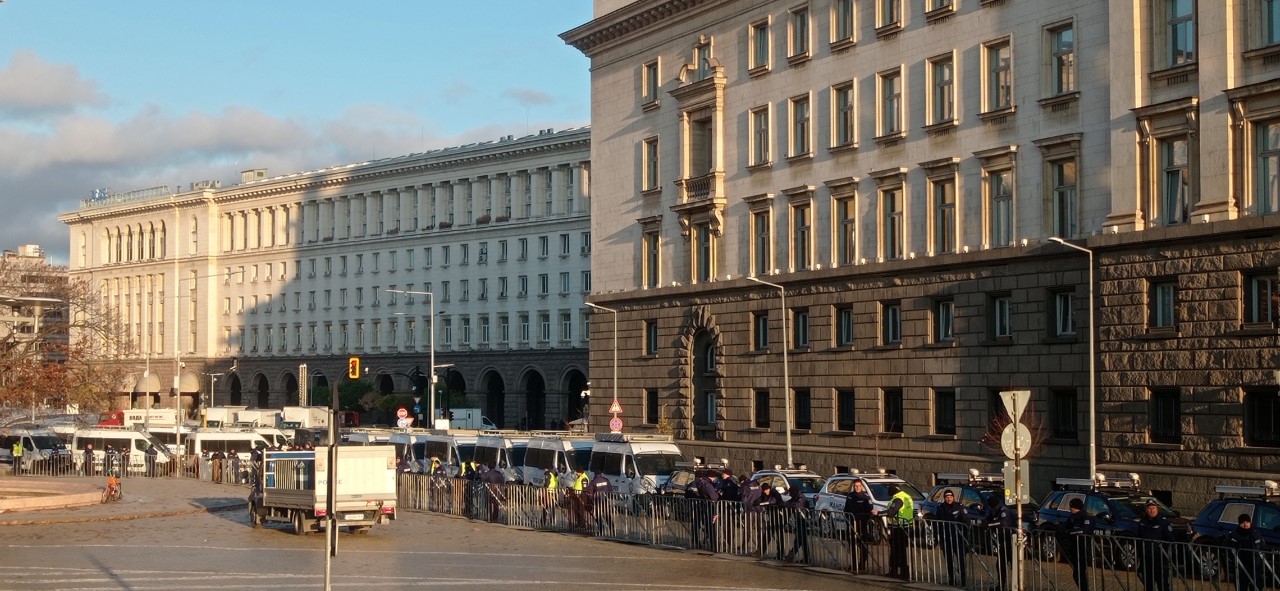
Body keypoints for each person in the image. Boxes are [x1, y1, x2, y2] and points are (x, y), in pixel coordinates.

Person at [1135, 499, 1173, 591]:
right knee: (1148, 585)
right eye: (1149, 508)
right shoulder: (1143, 522)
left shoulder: (1163, 522)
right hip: (1146, 559)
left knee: (1163, 585)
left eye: (1153, 508)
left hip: (1160, 559)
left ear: (1157, 509)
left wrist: (1165, 554)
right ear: (1146, 510)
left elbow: (1170, 539)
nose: (1151, 510)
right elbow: (1138, 539)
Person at [935, 489, 970, 586]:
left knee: (961, 561)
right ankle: (951, 579)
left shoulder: (959, 507)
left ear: (953, 497)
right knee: (949, 561)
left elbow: (967, 521)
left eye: (950, 497)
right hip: (946, 539)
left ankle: (963, 581)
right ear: (944, 498)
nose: (949, 499)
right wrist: (938, 538)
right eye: (947, 497)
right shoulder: (941, 508)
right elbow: (937, 524)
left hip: (958, 539)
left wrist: (965, 535)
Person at [1060, 497, 1095, 591]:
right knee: (1077, 573)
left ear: (1074, 507)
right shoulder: (1072, 517)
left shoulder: (1086, 517)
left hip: (1083, 548)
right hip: (1074, 548)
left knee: (1079, 573)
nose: (1069, 509)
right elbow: (1063, 528)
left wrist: (1070, 532)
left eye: (1071, 507)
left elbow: (1085, 531)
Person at [881, 483, 914, 579]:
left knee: (898, 551)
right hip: (904, 526)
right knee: (897, 550)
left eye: (889, 489)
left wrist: (878, 513)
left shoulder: (898, 498)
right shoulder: (906, 496)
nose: (888, 491)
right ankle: (895, 570)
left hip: (899, 527)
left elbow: (892, 511)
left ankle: (902, 572)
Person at [985, 489, 1016, 591]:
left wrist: (989, 525)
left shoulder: (1004, 511)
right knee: (1000, 565)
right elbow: (988, 519)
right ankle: (1001, 586)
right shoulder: (994, 511)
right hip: (1002, 542)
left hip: (1011, 542)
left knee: (1014, 565)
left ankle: (1017, 585)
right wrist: (983, 522)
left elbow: (1003, 523)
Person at [1229, 512, 1266, 591]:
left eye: (1247, 522)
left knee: (1257, 586)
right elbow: (1227, 548)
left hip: (1255, 567)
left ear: (1250, 523)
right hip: (1241, 567)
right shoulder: (1234, 535)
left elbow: (1263, 547)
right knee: (1241, 586)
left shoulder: (1256, 534)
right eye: (1242, 522)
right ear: (1239, 524)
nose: (1245, 524)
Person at [844, 479, 874, 573]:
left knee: (863, 545)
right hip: (852, 523)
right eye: (855, 486)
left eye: (859, 486)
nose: (857, 488)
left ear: (861, 486)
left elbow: (870, 510)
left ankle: (862, 564)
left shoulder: (865, 497)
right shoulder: (850, 496)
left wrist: (864, 518)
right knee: (852, 544)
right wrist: (848, 519)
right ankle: (854, 564)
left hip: (862, 524)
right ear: (853, 486)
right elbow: (846, 509)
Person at [784, 487, 811, 564]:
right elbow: (788, 503)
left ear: (794, 492)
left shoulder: (801, 497)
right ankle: (806, 558)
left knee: (799, 539)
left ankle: (792, 554)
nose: (790, 495)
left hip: (804, 520)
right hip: (798, 520)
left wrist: (789, 505)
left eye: (791, 493)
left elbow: (797, 505)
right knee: (803, 540)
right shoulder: (795, 497)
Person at [587, 470, 613, 536]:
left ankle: (601, 529)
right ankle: (612, 529)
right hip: (606, 500)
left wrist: (592, 500)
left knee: (597, 515)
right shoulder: (606, 480)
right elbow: (610, 490)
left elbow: (590, 493)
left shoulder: (593, 482)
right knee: (607, 515)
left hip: (598, 501)